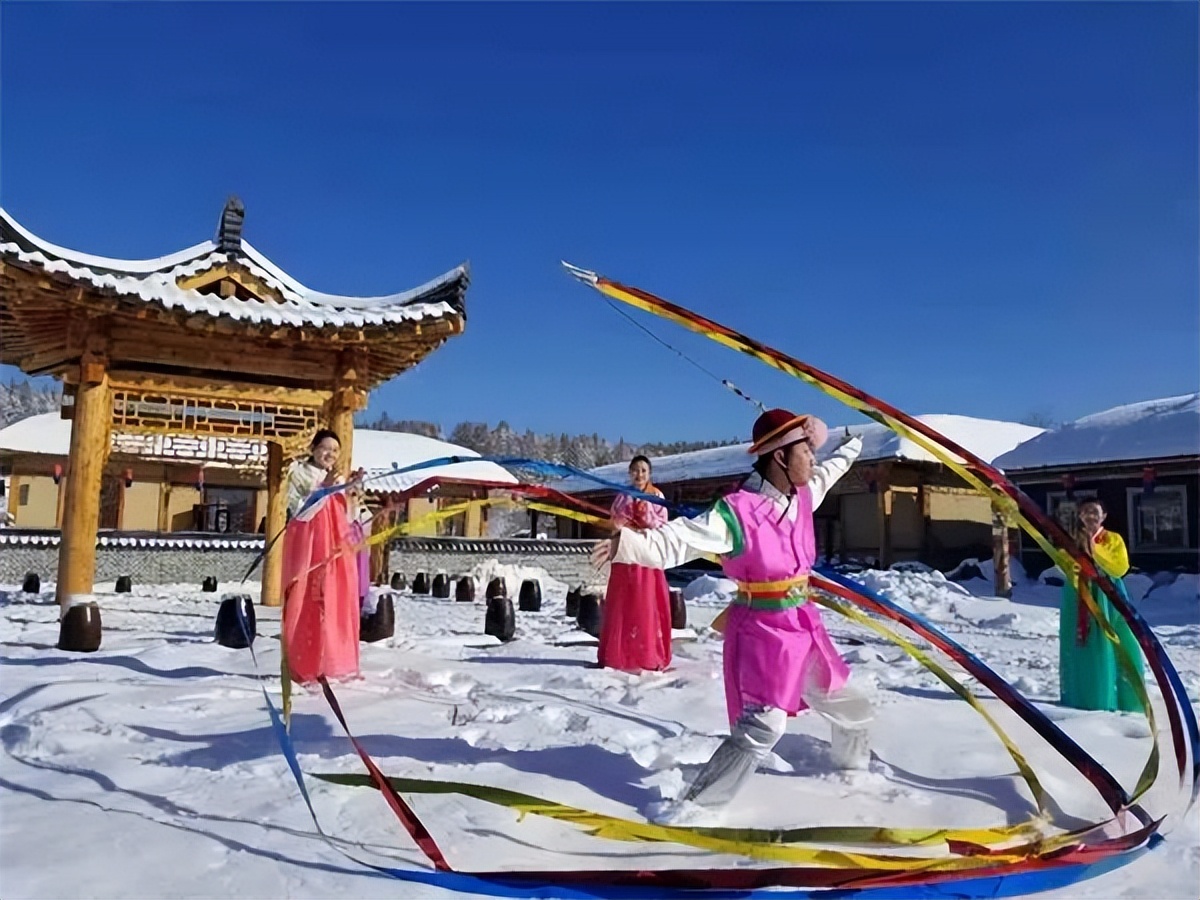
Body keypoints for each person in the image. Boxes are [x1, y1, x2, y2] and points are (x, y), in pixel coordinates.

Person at [592, 408, 867, 820]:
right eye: (805, 452)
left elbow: (832, 469)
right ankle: (695, 808)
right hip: (763, 631)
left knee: (852, 708)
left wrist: (853, 444)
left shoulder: (804, 495)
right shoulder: (737, 512)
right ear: (780, 456)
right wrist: (628, 544)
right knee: (763, 726)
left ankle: (854, 781)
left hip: (804, 626)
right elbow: (679, 539)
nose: (813, 459)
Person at [282, 429, 362, 685]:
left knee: (334, 603)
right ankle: (305, 662)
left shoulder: (338, 478)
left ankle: (332, 661)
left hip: (335, 552)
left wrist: (352, 494)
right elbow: (299, 513)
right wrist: (324, 488)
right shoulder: (299, 473)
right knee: (309, 602)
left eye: (335, 450)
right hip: (309, 549)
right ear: (313, 449)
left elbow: (348, 519)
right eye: (325, 448)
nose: (330, 454)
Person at [1059, 498, 1143, 712]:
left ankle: (1125, 698)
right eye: (1086, 511)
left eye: (1095, 512)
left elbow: (1120, 567)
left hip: (1108, 592)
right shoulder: (1073, 540)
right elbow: (1063, 564)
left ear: (1103, 516)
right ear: (1080, 516)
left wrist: (1094, 550)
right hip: (1080, 591)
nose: (1091, 516)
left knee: (1117, 638)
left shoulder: (1112, 539)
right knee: (1083, 642)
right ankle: (1085, 697)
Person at [598, 455, 673, 672]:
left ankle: (647, 653)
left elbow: (663, 524)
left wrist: (644, 518)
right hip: (626, 555)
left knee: (647, 603)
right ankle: (620, 653)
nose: (639, 475)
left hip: (647, 555)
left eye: (643, 470)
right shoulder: (623, 496)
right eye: (635, 470)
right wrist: (621, 524)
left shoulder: (656, 496)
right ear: (629, 473)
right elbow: (614, 521)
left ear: (649, 474)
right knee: (623, 603)